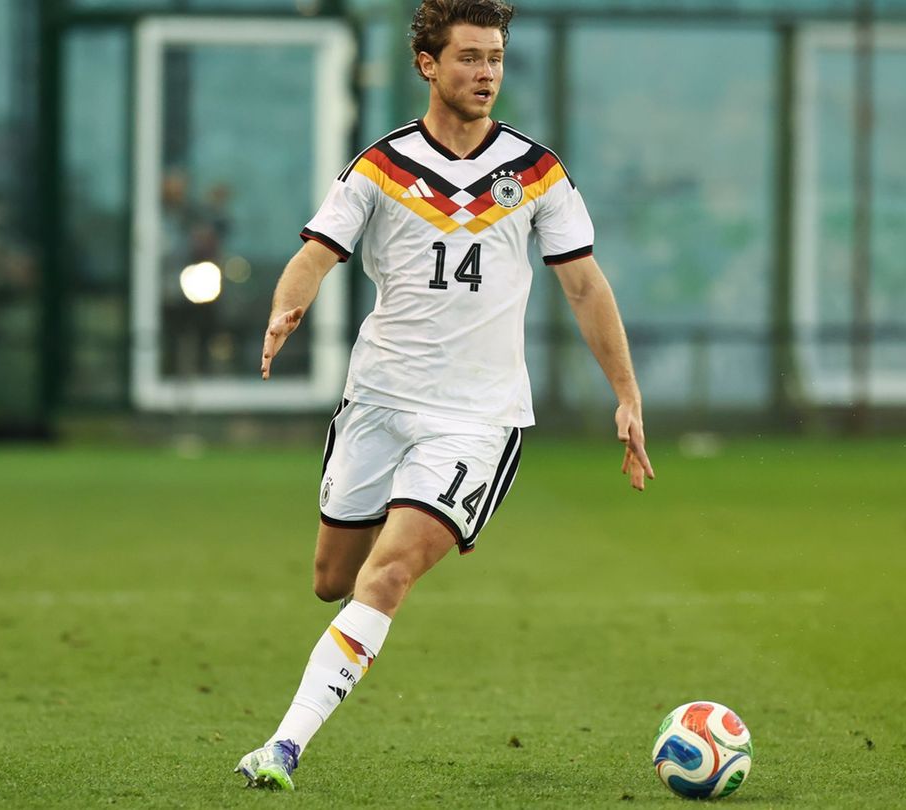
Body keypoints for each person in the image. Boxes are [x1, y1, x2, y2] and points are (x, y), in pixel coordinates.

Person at [237, 0, 654, 791]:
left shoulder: (536, 172)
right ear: (428, 64)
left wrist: (626, 393)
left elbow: (585, 287)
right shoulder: (382, 166)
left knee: (386, 577)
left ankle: (281, 748)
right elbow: (316, 254)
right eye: (469, 57)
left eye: (495, 57)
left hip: (477, 419)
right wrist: (286, 305)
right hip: (379, 400)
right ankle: (319, 676)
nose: (486, 73)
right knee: (335, 578)